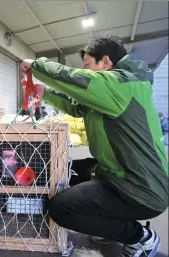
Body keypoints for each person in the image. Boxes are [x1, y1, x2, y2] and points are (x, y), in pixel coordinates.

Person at [21, 33, 168, 257]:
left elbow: (75, 79)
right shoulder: (113, 90)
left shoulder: (122, 84)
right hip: (118, 175)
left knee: (61, 208)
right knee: (67, 173)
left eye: (89, 66)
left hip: (140, 188)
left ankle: (139, 237)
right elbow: (79, 108)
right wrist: (45, 93)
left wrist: (38, 65)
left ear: (106, 62)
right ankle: (107, 226)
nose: (86, 71)